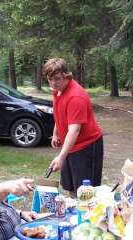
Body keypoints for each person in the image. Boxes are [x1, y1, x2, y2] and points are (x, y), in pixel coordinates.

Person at [44, 57, 103, 196]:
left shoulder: (76, 96)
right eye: (50, 79)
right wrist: (56, 133)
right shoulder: (58, 90)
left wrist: (61, 157)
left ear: (66, 75)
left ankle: (86, 216)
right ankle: (75, 215)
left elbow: (74, 130)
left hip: (86, 146)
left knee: (85, 191)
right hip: (71, 146)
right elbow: (59, 113)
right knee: (70, 186)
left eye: (57, 78)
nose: (53, 83)